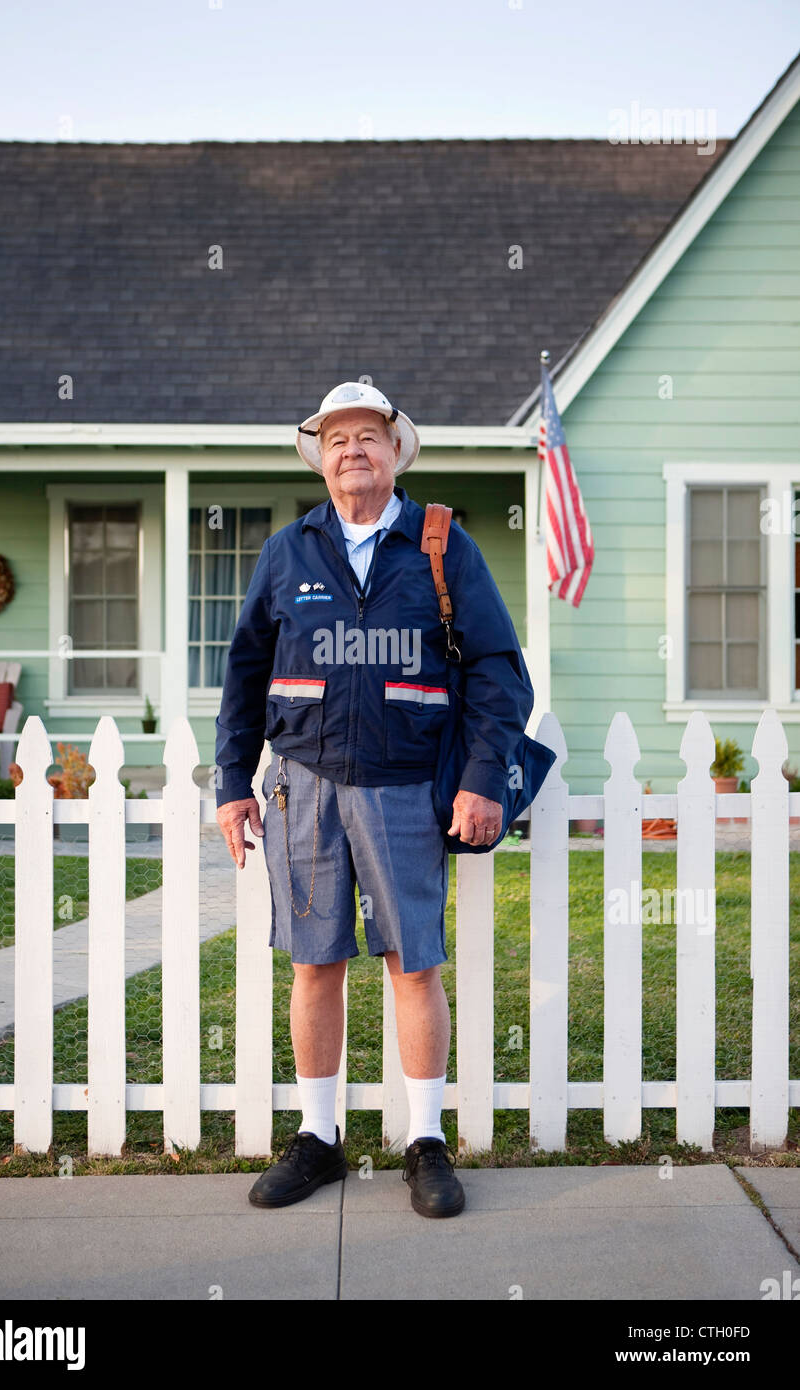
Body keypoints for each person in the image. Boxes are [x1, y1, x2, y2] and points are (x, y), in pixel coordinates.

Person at [214, 381, 536, 1218]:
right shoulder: (289, 551)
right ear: (320, 459)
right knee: (315, 962)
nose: (353, 449)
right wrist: (230, 784)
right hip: (302, 786)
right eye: (336, 439)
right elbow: (245, 673)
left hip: (405, 787)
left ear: (397, 453)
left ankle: (425, 1141)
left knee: (412, 962)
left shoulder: (442, 545)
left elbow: (498, 670)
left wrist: (479, 776)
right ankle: (319, 1139)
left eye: (369, 436)